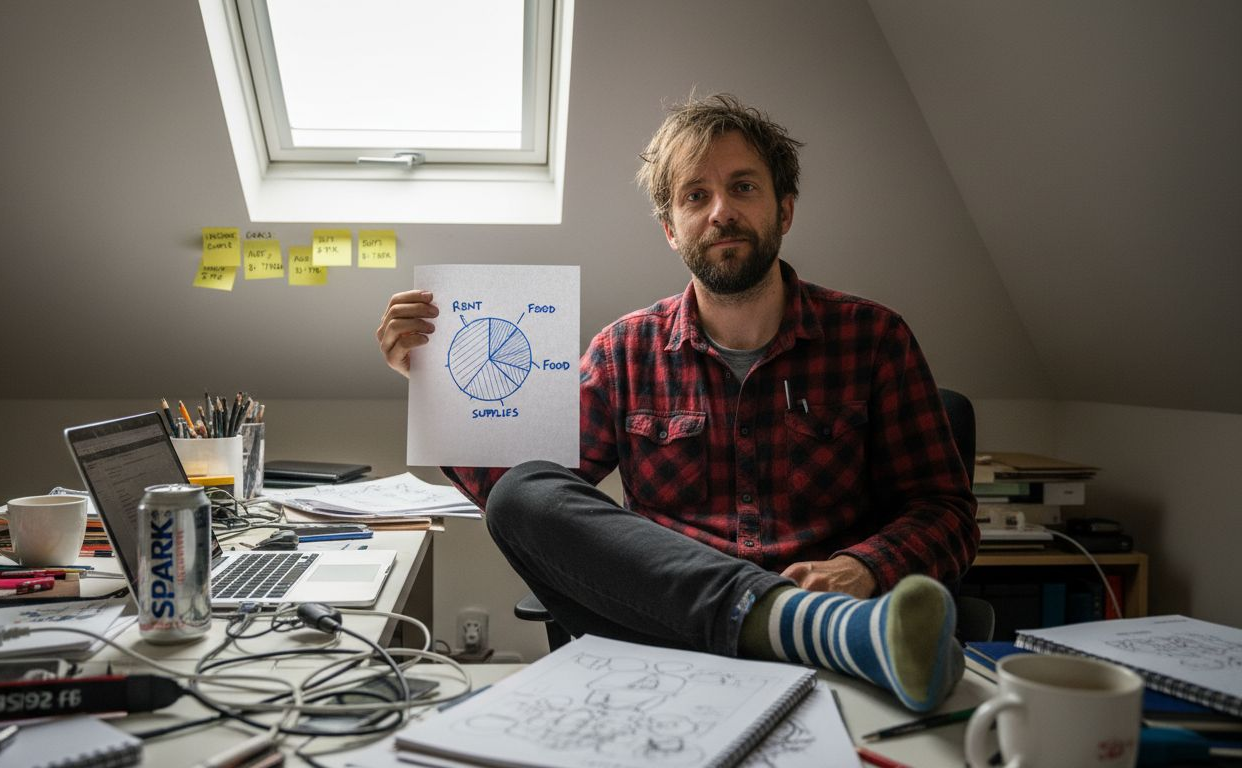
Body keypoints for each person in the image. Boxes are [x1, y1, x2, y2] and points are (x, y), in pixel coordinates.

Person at [376, 93, 979, 712]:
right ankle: (796, 625)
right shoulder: (624, 350)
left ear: (785, 210)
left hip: (842, 614)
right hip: (678, 636)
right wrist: (439, 386)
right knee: (522, 493)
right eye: (696, 195)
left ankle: (804, 624)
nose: (721, 212)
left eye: (743, 187)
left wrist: (863, 569)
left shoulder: (872, 338)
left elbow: (947, 511)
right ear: (671, 229)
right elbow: (524, 493)